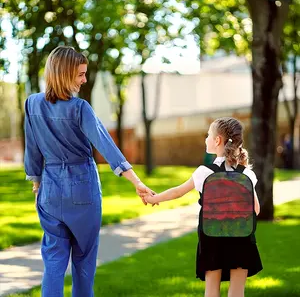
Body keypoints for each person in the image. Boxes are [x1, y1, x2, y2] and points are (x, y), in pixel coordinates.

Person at [24, 46, 153, 297]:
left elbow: (32, 149)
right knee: (84, 261)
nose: (84, 80)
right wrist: (136, 181)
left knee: (53, 261)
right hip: (82, 187)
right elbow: (106, 145)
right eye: (80, 75)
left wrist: (37, 185)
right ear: (64, 74)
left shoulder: (32, 104)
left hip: (49, 190)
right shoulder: (79, 108)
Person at [144, 117, 263, 297]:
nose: (205, 139)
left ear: (217, 141)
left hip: (212, 239)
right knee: (237, 291)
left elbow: (178, 192)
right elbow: (256, 209)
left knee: (211, 291)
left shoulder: (204, 172)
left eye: (208, 135)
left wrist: (154, 199)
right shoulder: (246, 174)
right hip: (241, 238)